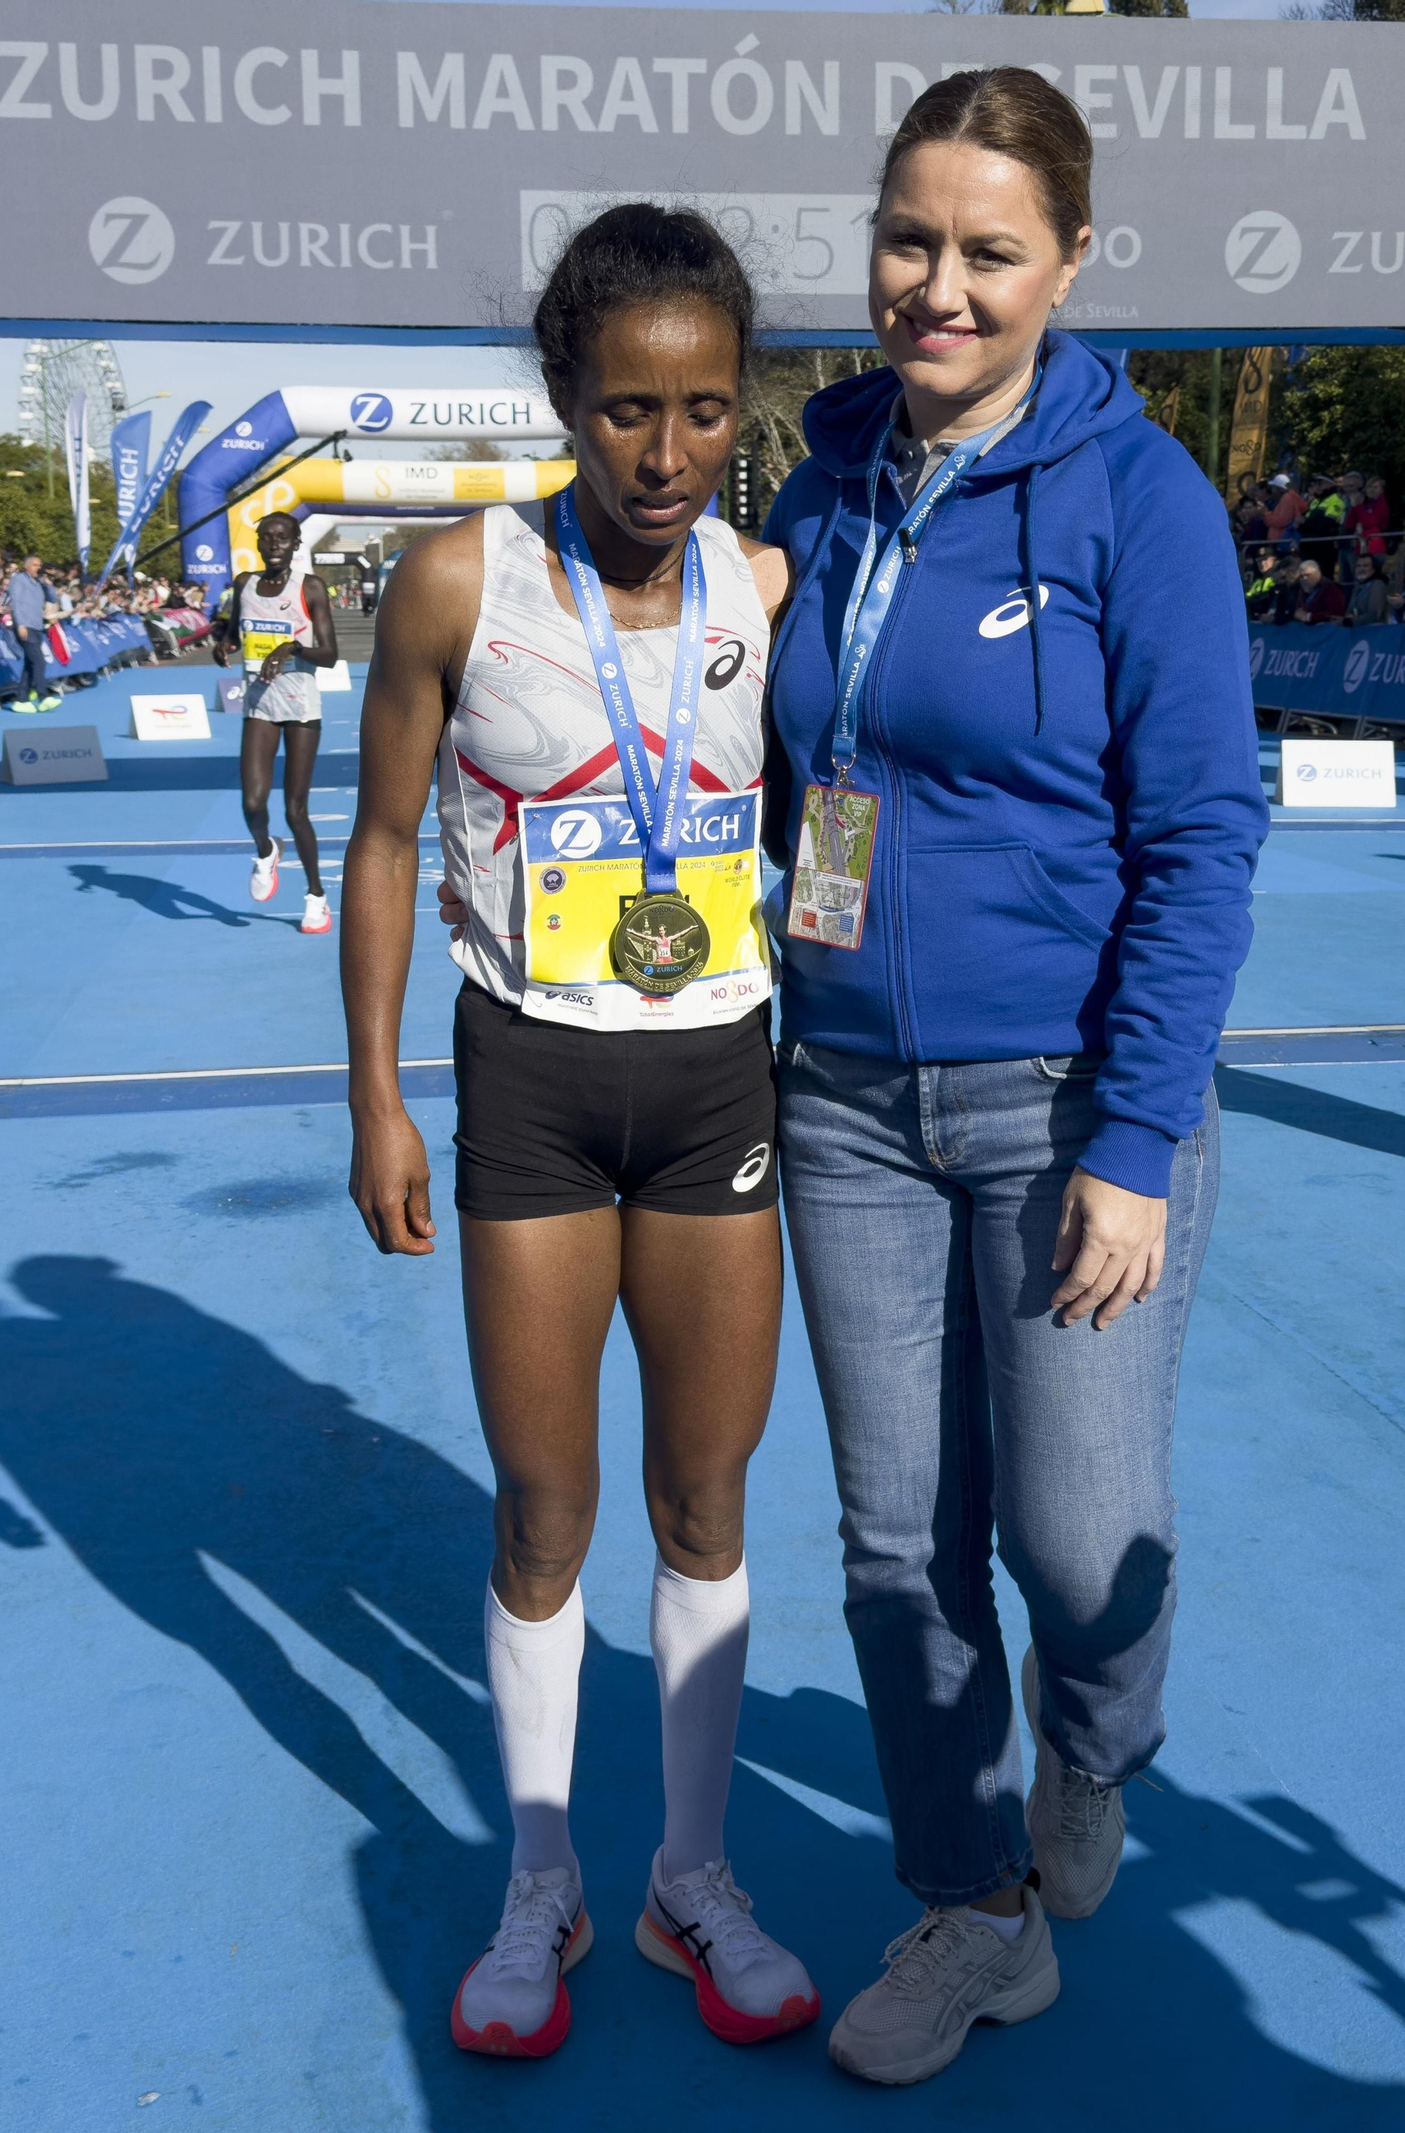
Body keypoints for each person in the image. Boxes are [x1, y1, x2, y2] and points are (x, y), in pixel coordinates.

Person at [761, 67, 1267, 2087]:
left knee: (1073, 1542)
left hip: (1067, 1102)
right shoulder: (815, 482)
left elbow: (1203, 836)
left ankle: (1088, 1746)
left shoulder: (1139, 499)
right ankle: (970, 1910)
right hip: (841, 1099)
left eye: (984, 250)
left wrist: (1133, 1140)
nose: (935, 287)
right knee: (898, 1542)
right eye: (907, 239)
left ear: (1066, 261)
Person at [343, 203, 818, 2062]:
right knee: (548, 1506)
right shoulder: (462, 584)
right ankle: (540, 1874)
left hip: (719, 1089)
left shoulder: (764, 590)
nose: (668, 452)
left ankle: (691, 1875)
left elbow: (832, 815)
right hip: (528, 1087)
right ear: (564, 392)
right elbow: (384, 840)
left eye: (705, 410)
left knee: (707, 1503)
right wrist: (379, 1091)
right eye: (629, 409)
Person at [210, 512, 337, 935]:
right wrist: (223, 645)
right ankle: (266, 851)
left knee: (295, 808)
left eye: (283, 538)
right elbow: (233, 632)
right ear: (259, 544)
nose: (275, 544)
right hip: (259, 704)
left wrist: (288, 647)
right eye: (267, 538)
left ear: (296, 543)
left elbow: (330, 653)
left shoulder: (310, 588)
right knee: (252, 803)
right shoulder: (244, 584)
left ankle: (316, 897)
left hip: (301, 704)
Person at [5, 555, 62, 713]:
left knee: (30, 663)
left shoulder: (39, 583)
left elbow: (52, 598)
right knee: (39, 661)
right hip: (25, 625)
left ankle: (22, 699)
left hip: (37, 626)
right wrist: (20, 624)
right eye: (35, 565)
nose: (38, 567)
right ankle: (43, 696)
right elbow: (15, 602)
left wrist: (48, 584)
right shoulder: (18, 580)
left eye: (40, 565)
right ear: (26, 566)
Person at [1295, 555, 1347, 624]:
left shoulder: (1331, 588)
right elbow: (1299, 609)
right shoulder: (1303, 589)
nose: (1304, 579)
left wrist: (1310, 616)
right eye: (1302, 576)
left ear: (1317, 574)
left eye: (1308, 575)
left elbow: (1336, 615)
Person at [1262, 470, 1307, 548]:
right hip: (1280, 540)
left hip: (1282, 541)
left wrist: (1266, 514)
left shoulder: (1287, 498)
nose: (1272, 491)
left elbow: (1282, 521)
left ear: (1279, 489)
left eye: (1274, 488)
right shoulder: (1285, 498)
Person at [1345, 554, 1389, 626]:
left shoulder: (1377, 585)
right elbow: (1349, 611)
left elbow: (1373, 616)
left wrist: (1348, 622)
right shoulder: (1358, 587)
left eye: (1365, 566)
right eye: (1358, 566)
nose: (1361, 569)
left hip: (1374, 631)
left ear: (1373, 569)